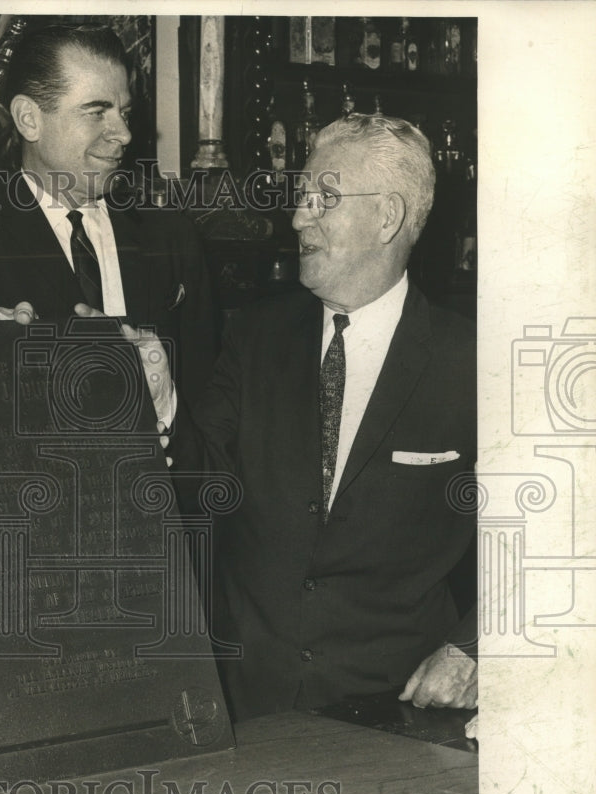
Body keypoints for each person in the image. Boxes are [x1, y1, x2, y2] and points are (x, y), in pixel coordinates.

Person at [132, 113, 478, 723]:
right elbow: (198, 484)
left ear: (388, 217)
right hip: (247, 703)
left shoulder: (472, 362)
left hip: (399, 712)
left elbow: (554, 523)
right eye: (301, 197)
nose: (297, 218)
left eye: (325, 198)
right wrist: (161, 405)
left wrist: (476, 648)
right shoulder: (256, 334)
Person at [0, 22, 218, 403]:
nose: (124, 133)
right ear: (29, 119)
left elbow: (210, 408)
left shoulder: (172, 238)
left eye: (124, 112)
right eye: (97, 112)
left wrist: (166, 413)